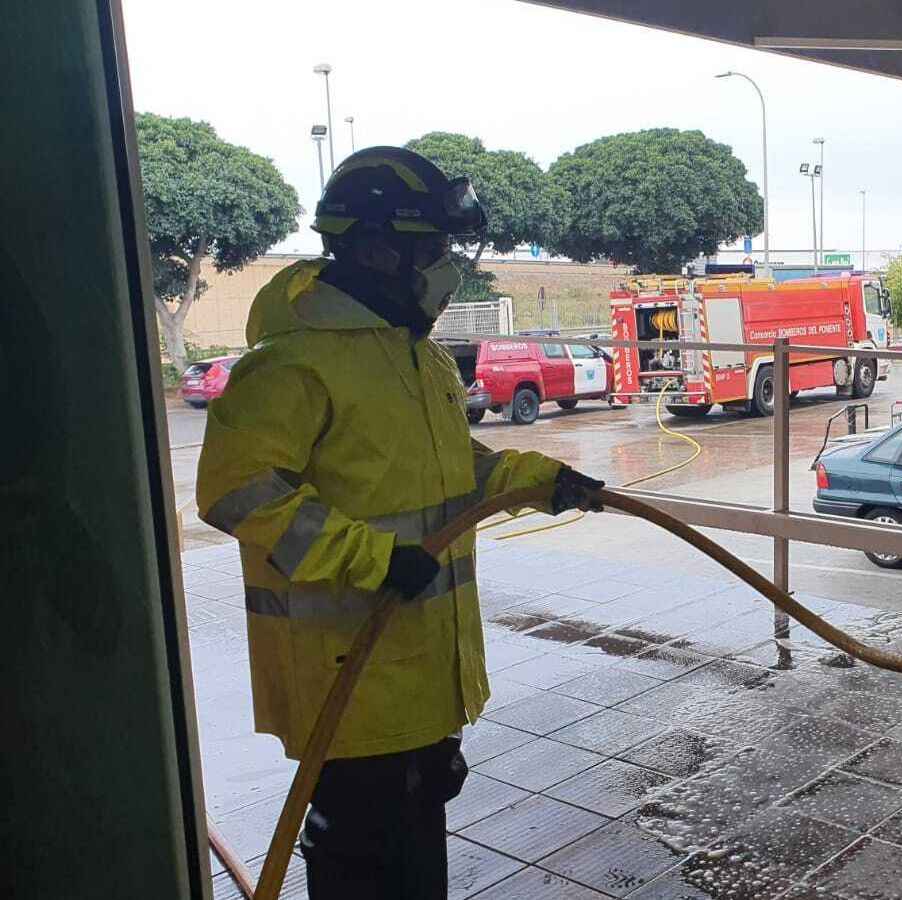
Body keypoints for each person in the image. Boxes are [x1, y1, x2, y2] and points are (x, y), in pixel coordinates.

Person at [196, 146, 605, 899]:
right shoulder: (292, 365)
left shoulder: (415, 356)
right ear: (379, 248)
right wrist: (372, 558)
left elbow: (455, 471)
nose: (445, 266)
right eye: (435, 249)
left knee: (415, 840)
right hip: (346, 678)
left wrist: (542, 481)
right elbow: (237, 491)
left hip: (420, 670)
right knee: (362, 851)